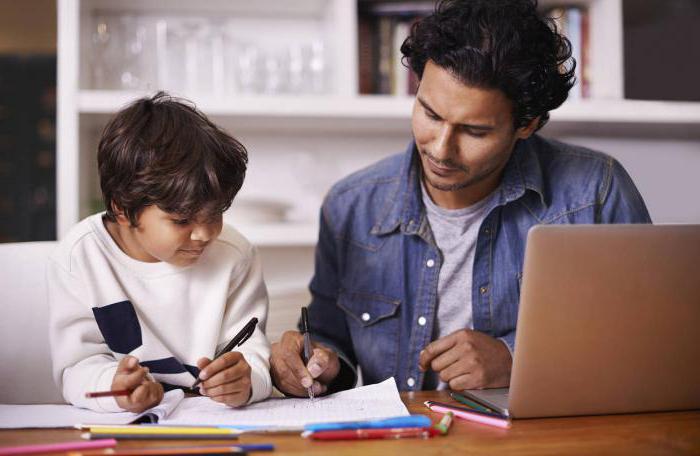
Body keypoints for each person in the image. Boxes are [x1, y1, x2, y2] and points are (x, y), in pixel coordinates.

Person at [270, 0, 651, 396]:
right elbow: (333, 344)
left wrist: (515, 359)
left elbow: (649, 341)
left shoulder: (595, 192)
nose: (441, 149)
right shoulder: (350, 206)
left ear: (527, 125)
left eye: (474, 131)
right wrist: (316, 363)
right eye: (430, 114)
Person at [48, 92, 272, 413]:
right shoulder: (80, 257)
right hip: (127, 430)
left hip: (216, 424)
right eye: (181, 220)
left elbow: (252, 350)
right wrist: (112, 388)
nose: (204, 233)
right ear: (123, 209)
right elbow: (75, 366)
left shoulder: (234, 254)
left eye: (215, 214)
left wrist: (248, 380)